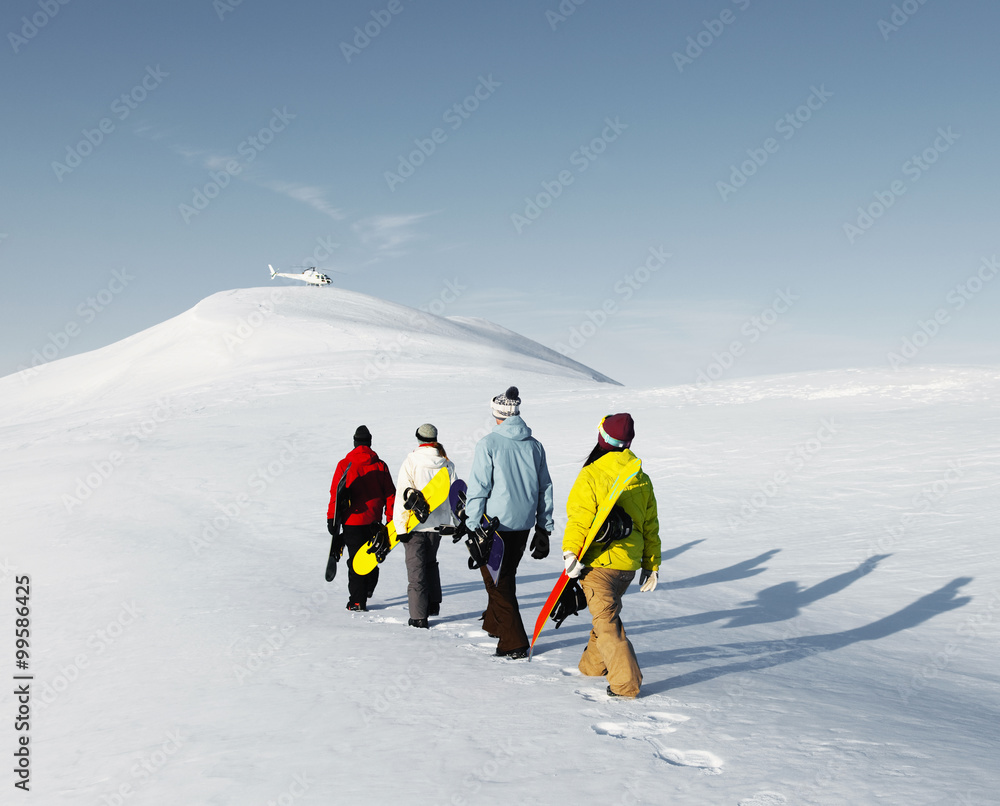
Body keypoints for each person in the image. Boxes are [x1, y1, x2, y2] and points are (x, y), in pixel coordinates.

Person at [562, 413, 660, 698]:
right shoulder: (640, 477)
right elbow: (650, 526)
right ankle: (592, 666)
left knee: (607, 625)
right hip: (627, 567)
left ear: (602, 438)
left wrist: (570, 552)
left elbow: (579, 518)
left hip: (599, 564)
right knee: (605, 616)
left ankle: (626, 684)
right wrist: (651, 565)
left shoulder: (592, 474)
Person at [465, 386, 554, 659]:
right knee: (506, 575)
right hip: (524, 523)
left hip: (495, 525)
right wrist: (543, 527)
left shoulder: (488, 444)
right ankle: (495, 624)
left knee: (497, 582)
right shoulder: (534, 445)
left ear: (497, 414)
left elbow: (479, 486)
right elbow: (544, 487)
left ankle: (514, 642)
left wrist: (471, 522)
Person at [394, 423, 457, 628]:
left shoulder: (411, 461)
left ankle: (419, 617)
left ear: (418, 439)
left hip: (415, 526)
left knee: (416, 572)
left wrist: (401, 527)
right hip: (438, 526)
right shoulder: (447, 464)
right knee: (430, 564)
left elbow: (404, 494)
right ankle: (433, 605)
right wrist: (456, 523)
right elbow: (456, 496)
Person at [328, 425, 396, 612]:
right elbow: (391, 494)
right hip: (374, 520)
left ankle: (357, 601)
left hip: (352, 521)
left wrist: (331, 519)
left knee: (355, 561)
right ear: (370, 442)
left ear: (355, 442)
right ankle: (367, 589)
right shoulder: (380, 465)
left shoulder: (344, 465)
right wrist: (390, 519)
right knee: (372, 557)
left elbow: (336, 493)